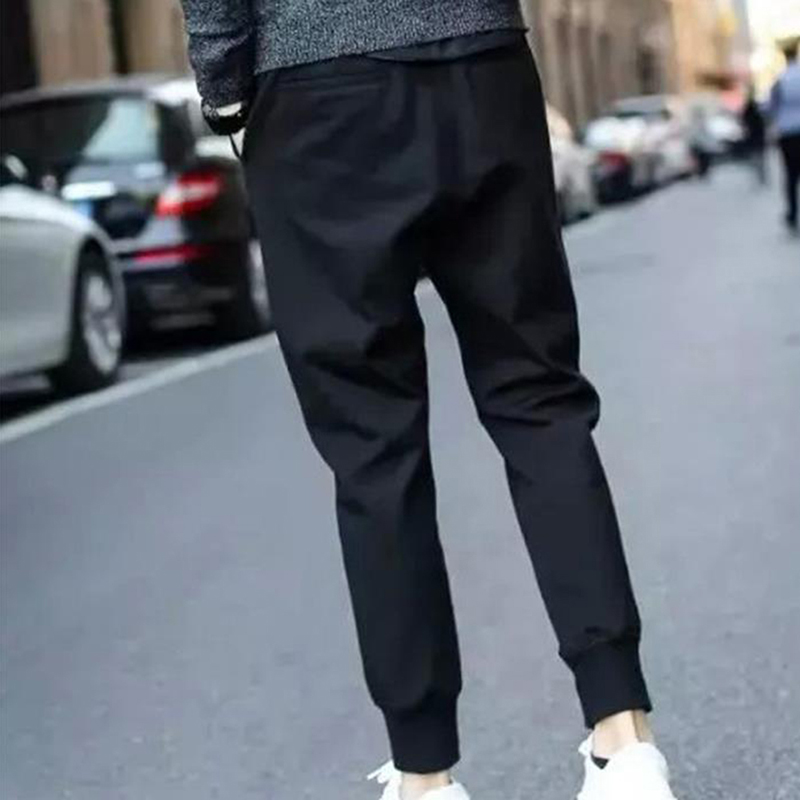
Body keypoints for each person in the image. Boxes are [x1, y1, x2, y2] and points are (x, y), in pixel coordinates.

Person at [179, 2, 679, 798]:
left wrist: (226, 90)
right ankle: (624, 737)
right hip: (482, 64)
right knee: (539, 399)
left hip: (315, 93)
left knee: (373, 445)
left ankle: (425, 774)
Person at [770, 41, 800, 232]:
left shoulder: (780, 80)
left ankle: (792, 215)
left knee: (791, 176)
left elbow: (772, 107)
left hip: (788, 134)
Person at [741, 87, 767, 186]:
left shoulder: (750, 110)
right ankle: (761, 177)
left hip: (754, 137)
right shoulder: (758, 109)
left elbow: (744, 123)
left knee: (757, 158)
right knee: (759, 158)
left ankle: (760, 177)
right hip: (757, 137)